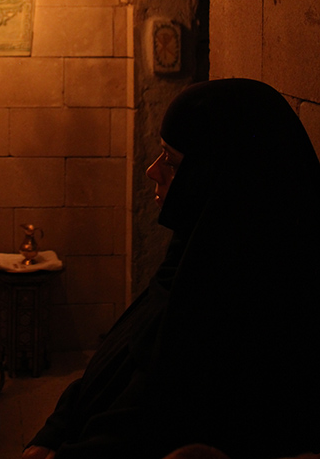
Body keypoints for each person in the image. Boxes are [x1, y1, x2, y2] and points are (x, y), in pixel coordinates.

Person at [22, 78, 320, 459]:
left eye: (172, 162)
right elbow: (117, 360)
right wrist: (55, 430)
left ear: (220, 176)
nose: (152, 171)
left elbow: (150, 421)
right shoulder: (190, 257)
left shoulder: (242, 313)